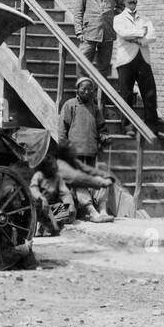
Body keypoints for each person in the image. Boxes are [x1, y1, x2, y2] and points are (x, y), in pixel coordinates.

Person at [113, 0, 164, 135]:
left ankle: (152, 126)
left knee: (150, 92)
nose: (132, 0)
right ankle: (127, 126)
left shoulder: (145, 19)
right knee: (127, 93)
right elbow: (123, 33)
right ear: (123, 1)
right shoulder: (118, 18)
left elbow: (152, 36)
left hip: (143, 58)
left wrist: (137, 38)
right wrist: (140, 33)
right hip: (126, 60)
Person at [59, 78, 113, 221]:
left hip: (91, 152)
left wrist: (105, 137)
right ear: (77, 89)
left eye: (90, 89)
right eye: (84, 89)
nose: (87, 92)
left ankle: (102, 210)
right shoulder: (70, 105)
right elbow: (62, 130)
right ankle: (90, 210)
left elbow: (102, 128)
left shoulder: (94, 108)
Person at [74, 0, 122, 99]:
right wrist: (79, 32)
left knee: (103, 67)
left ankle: (100, 95)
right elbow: (78, 12)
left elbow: (120, 7)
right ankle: (82, 91)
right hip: (89, 33)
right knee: (82, 62)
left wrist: (114, 22)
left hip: (107, 34)